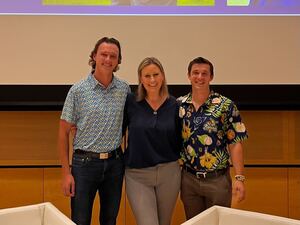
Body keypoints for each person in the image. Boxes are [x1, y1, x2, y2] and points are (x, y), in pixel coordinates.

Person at [58, 37, 130, 225]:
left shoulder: (124, 89)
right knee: (80, 221)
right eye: (103, 54)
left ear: (118, 61)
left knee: (110, 220)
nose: (108, 59)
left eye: (113, 56)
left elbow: (128, 124)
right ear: (94, 56)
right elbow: (63, 133)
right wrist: (66, 173)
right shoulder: (78, 90)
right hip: (84, 165)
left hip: (115, 164)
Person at [178, 56, 248, 220]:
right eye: (195, 73)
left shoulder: (225, 105)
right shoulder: (179, 105)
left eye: (204, 73)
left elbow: (235, 142)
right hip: (188, 180)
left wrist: (239, 178)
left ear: (211, 77)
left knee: (218, 223)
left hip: (217, 181)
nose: (200, 77)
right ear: (188, 75)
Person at [123, 57, 181, 225]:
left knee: (164, 223)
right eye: (147, 76)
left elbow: (181, 139)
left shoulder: (175, 105)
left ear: (163, 76)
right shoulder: (131, 103)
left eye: (156, 74)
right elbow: (115, 131)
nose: (152, 80)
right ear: (140, 79)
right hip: (137, 175)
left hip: (169, 174)